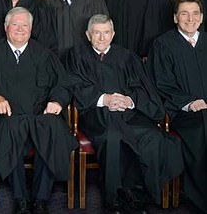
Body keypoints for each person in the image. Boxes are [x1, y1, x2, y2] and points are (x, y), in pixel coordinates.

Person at [66, 14, 183, 213]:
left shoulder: (127, 56)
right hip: (97, 114)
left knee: (152, 137)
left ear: (113, 34)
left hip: (129, 113)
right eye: (96, 33)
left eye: (106, 33)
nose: (101, 38)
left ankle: (138, 193)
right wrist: (105, 99)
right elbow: (75, 86)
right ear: (88, 35)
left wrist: (130, 101)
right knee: (111, 136)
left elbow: (143, 88)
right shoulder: (76, 55)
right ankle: (114, 197)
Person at [0, 7, 77, 214]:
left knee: (51, 131)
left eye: (25, 25)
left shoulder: (44, 54)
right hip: (7, 118)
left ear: (31, 28)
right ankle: (20, 199)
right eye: (15, 25)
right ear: (5, 27)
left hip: (39, 116)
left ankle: (41, 199)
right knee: (11, 131)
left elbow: (63, 84)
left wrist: (56, 100)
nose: (20, 29)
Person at [148, 0, 207, 213]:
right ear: (175, 18)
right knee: (201, 127)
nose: (190, 19)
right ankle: (200, 199)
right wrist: (189, 103)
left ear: (202, 18)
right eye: (184, 14)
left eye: (195, 14)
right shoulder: (163, 44)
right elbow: (161, 83)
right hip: (183, 113)